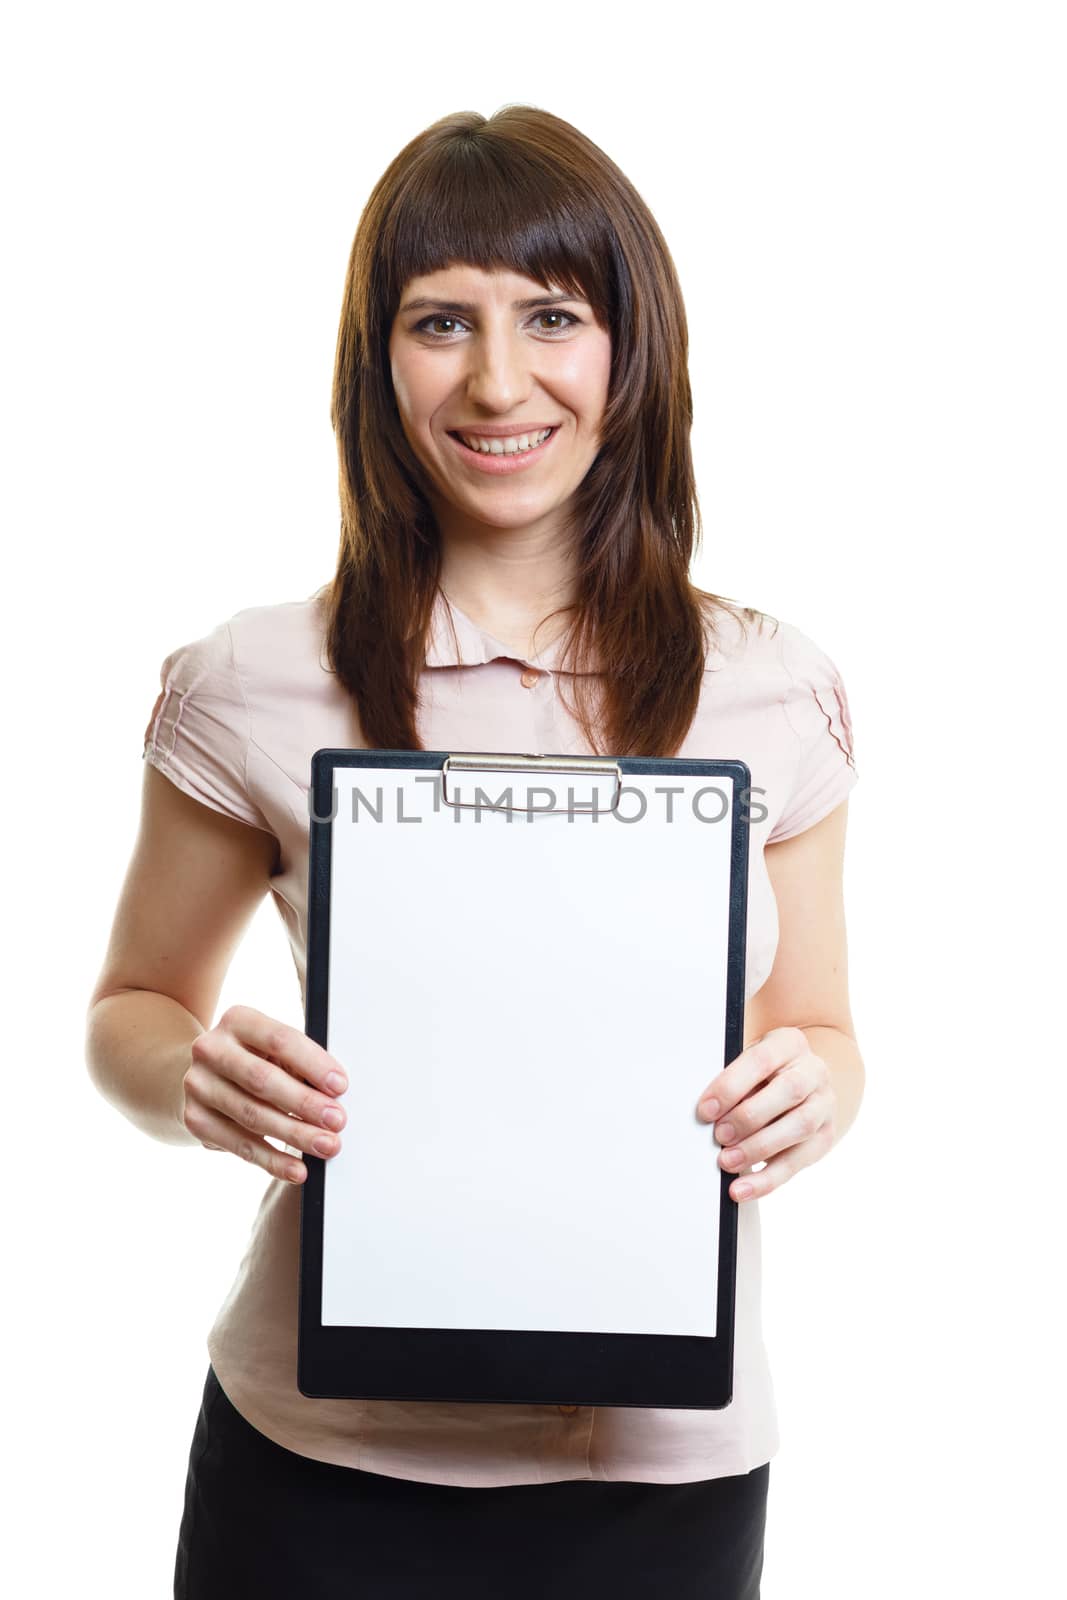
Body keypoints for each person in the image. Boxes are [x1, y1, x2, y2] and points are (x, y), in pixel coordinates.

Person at [85, 105, 863, 1600]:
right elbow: (131, 1010)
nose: (499, 380)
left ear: (631, 350)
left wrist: (809, 1093)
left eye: (552, 318)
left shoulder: (770, 683)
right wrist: (192, 1076)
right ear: (379, 362)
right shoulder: (254, 677)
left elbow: (824, 1028)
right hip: (319, 1459)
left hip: (658, 1467)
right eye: (442, 321)